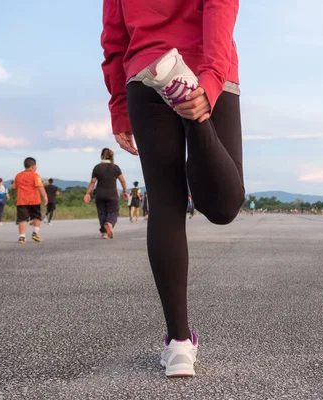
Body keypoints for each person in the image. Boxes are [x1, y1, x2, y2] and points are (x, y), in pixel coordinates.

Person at [102, 0, 244, 377]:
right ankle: (192, 108)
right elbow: (219, 6)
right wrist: (210, 80)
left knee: (165, 204)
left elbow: (114, 38)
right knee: (224, 207)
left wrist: (119, 105)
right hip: (204, 62)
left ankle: (179, 345)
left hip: (146, 73)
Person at [84, 148, 128, 239]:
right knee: (113, 212)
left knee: (102, 212)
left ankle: (105, 233)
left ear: (101, 156)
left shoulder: (97, 167)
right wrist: (124, 191)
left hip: (100, 194)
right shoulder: (115, 167)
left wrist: (87, 193)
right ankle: (109, 224)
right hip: (112, 194)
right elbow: (122, 181)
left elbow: (93, 182)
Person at [12, 158, 48, 244]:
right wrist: (45, 196)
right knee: (36, 217)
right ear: (32, 167)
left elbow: (15, 188)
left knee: (22, 219)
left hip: (21, 201)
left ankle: (22, 237)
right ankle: (35, 233)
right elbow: (40, 186)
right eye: (35, 166)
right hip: (34, 200)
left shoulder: (18, 175)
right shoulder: (35, 175)